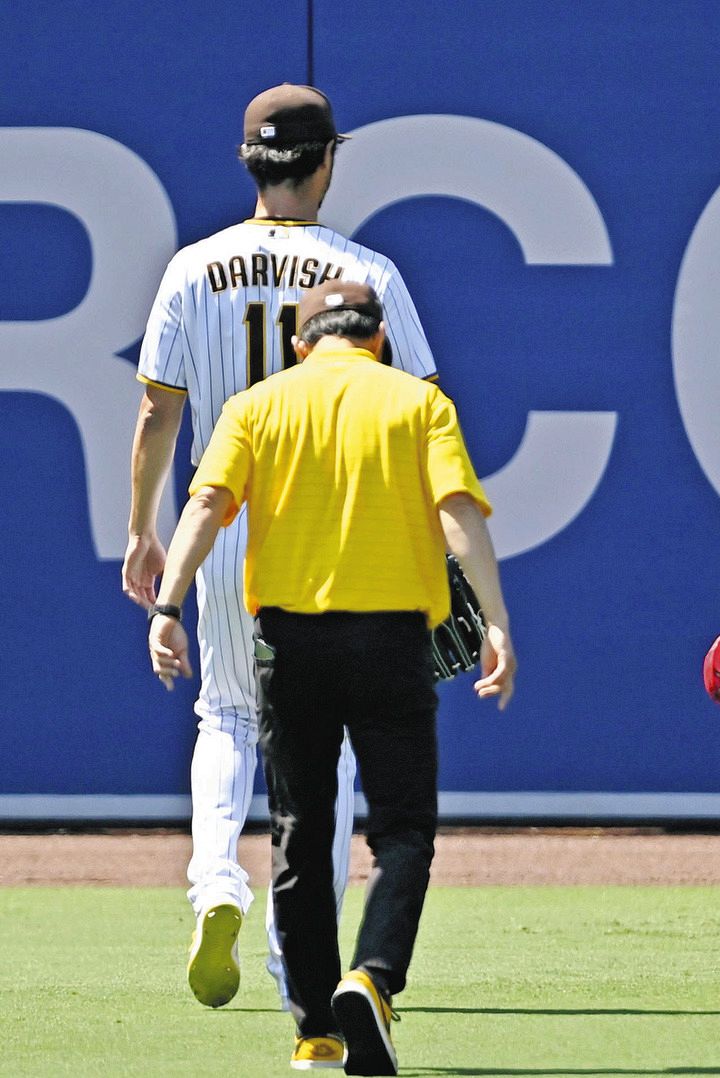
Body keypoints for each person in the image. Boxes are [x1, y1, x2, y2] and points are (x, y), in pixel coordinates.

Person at [122, 83, 438, 1010]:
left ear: (249, 163)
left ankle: (216, 878)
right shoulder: (363, 271)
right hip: (336, 537)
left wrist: (143, 528)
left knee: (224, 715)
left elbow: (156, 410)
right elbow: (422, 407)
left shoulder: (193, 265)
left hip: (220, 523)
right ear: (326, 161)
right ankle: (291, 954)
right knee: (330, 749)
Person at [147, 278, 515, 1073]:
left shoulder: (258, 405)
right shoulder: (418, 404)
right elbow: (458, 514)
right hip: (391, 644)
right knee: (404, 831)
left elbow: (206, 504)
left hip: (289, 646)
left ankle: (316, 1029)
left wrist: (167, 606)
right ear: (378, 340)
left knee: (300, 835)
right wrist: (495, 621)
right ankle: (373, 979)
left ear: (299, 343)